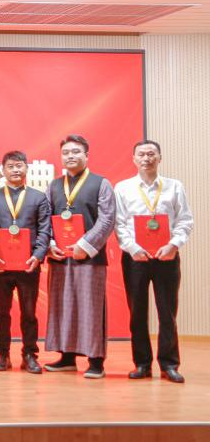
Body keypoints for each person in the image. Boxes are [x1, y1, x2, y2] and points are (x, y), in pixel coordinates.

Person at [114, 139, 193, 383]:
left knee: (167, 312)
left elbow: (185, 220)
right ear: (134, 159)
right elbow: (119, 223)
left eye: (151, 154)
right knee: (137, 312)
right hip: (135, 258)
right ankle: (142, 364)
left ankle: (169, 364)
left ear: (160, 158)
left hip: (166, 256)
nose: (146, 158)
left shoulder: (174, 186)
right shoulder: (123, 188)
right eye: (141, 154)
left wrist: (173, 245)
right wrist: (132, 248)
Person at [44, 134, 117, 379]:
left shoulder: (101, 184)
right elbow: (45, 218)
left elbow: (107, 219)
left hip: (89, 258)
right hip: (60, 257)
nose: (70, 156)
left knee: (90, 308)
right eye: (66, 153)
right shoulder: (54, 186)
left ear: (86, 155)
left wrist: (85, 244)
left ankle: (96, 361)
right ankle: (67, 357)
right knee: (63, 306)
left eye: (75, 152)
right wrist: (50, 244)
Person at [0, 150, 52, 374]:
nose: (15, 170)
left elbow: (44, 230)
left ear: (26, 168)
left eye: (19, 165)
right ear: (2, 170)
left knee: (29, 313)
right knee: (1, 313)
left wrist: (38, 255)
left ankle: (30, 355)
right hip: (1, 266)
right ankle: (2, 354)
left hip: (29, 265)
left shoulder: (38, 197)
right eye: (10, 166)